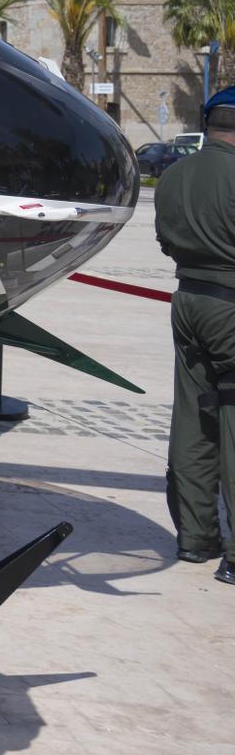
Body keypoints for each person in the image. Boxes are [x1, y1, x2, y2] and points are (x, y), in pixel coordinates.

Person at [154, 84, 235, 584]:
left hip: (188, 301)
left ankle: (195, 537)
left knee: (193, 418)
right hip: (231, 302)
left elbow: (165, 241)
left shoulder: (173, 175)